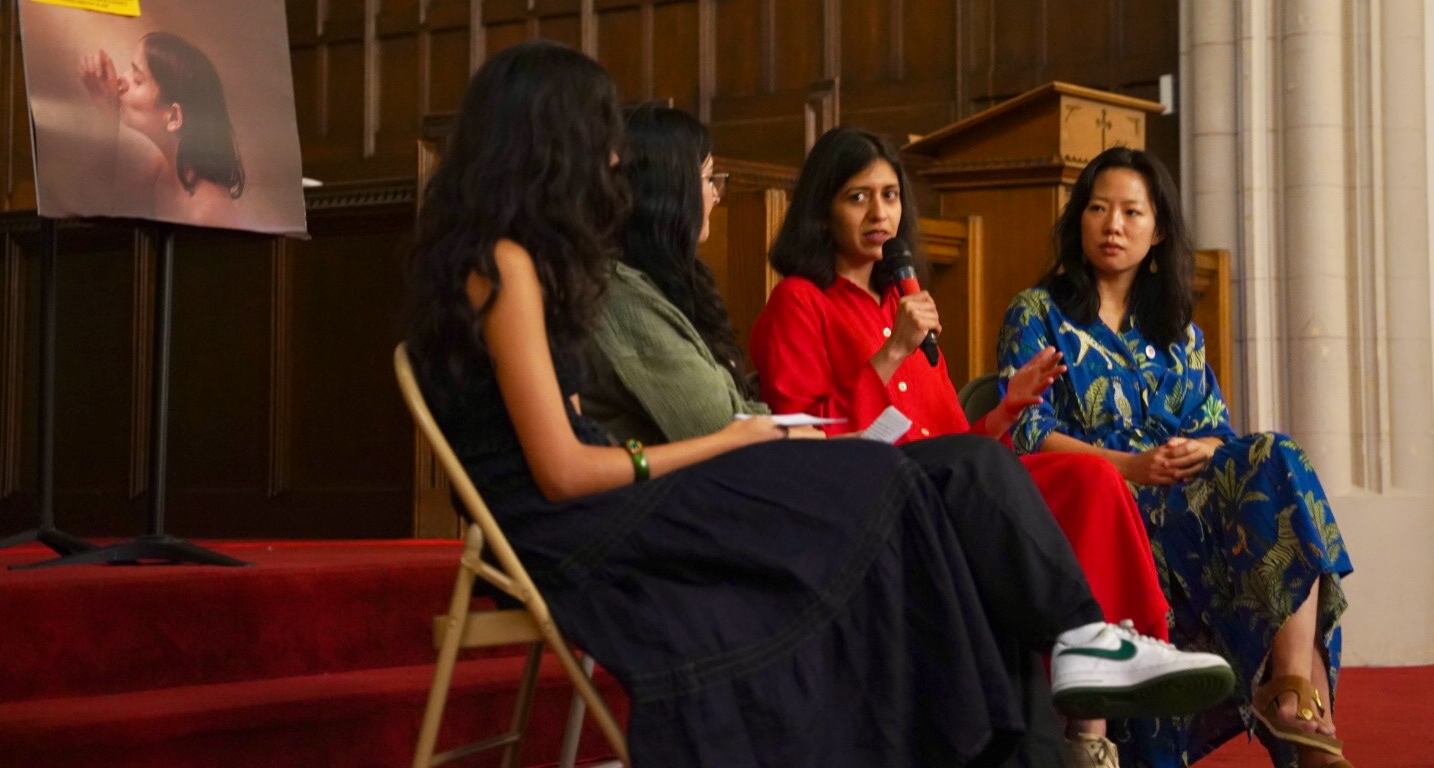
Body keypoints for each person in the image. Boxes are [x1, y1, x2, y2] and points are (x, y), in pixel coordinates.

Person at [404, 44, 1229, 767]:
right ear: (549, 142)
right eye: (599, 136)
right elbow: (562, 470)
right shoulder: (505, 264)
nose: (614, 158)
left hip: (604, 503)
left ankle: (1063, 668)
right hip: (576, 528)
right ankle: (1002, 713)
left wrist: (741, 437)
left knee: (934, 482)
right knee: (894, 489)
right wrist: (730, 440)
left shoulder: (517, 261)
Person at [748, 125, 1186, 767]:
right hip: (871, 500)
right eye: (858, 197)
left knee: (1088, 478)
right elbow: (806, 439)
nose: (879, 214)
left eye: (890, 195)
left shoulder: (901, 300)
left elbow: (955, 444)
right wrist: (891, 352)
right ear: (822, 209)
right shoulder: (799, 302)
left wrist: (1006, 410)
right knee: (994, 472)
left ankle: (1094, 710)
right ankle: (1087, 659)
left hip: (947, 489)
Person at [996, 146, 1354, 768]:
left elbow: (1218, 431)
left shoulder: (1178, 330)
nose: (1113, 226)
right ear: (1079, 220)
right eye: (1099, 209)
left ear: (1157, 231)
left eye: (1131, 212)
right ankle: (1299, 709)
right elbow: (1027, 432)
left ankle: (1293, 687)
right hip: (1101, 507)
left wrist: (1201, 448)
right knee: (1260, 513)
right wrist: (1130, 467)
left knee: (1278, 457)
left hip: (1184, 503)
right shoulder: (1038, 314)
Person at [79, 31, 245, 227]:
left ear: (174, 117)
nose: (121, 81)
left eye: (137, 80)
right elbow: (101, 208)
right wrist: (107, 111)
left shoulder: (209, 211)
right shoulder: (160, 172)